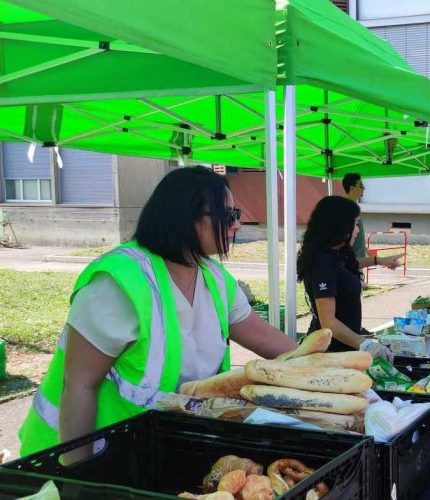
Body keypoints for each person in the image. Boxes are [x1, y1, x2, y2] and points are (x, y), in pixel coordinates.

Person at [18, 166, 299, 458]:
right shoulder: (120, 282)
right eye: (227, 217)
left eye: (236, 216)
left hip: (152, 454)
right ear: (185, 218)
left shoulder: (214, 277)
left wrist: (328, 366)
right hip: (71, 460)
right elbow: (79, 385)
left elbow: (264, 338)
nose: (236, 226)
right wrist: (77, 473)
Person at [297, 196, 393, 360]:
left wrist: (378, 260)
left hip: (345, 348)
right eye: (356, 224)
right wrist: (365, 344)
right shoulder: (322, 263)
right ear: (341, 226)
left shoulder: (337, 253)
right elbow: (328, 321)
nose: (358, 230)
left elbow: (349, 265)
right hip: (328, 353)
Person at [342, 172, 403, 271]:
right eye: (360, 186)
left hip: (357, 261)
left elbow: (358, 237)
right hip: (351, 262)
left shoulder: (355, 208)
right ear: (352, 188)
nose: (364, 188)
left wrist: (369, 254)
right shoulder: (346, 209)